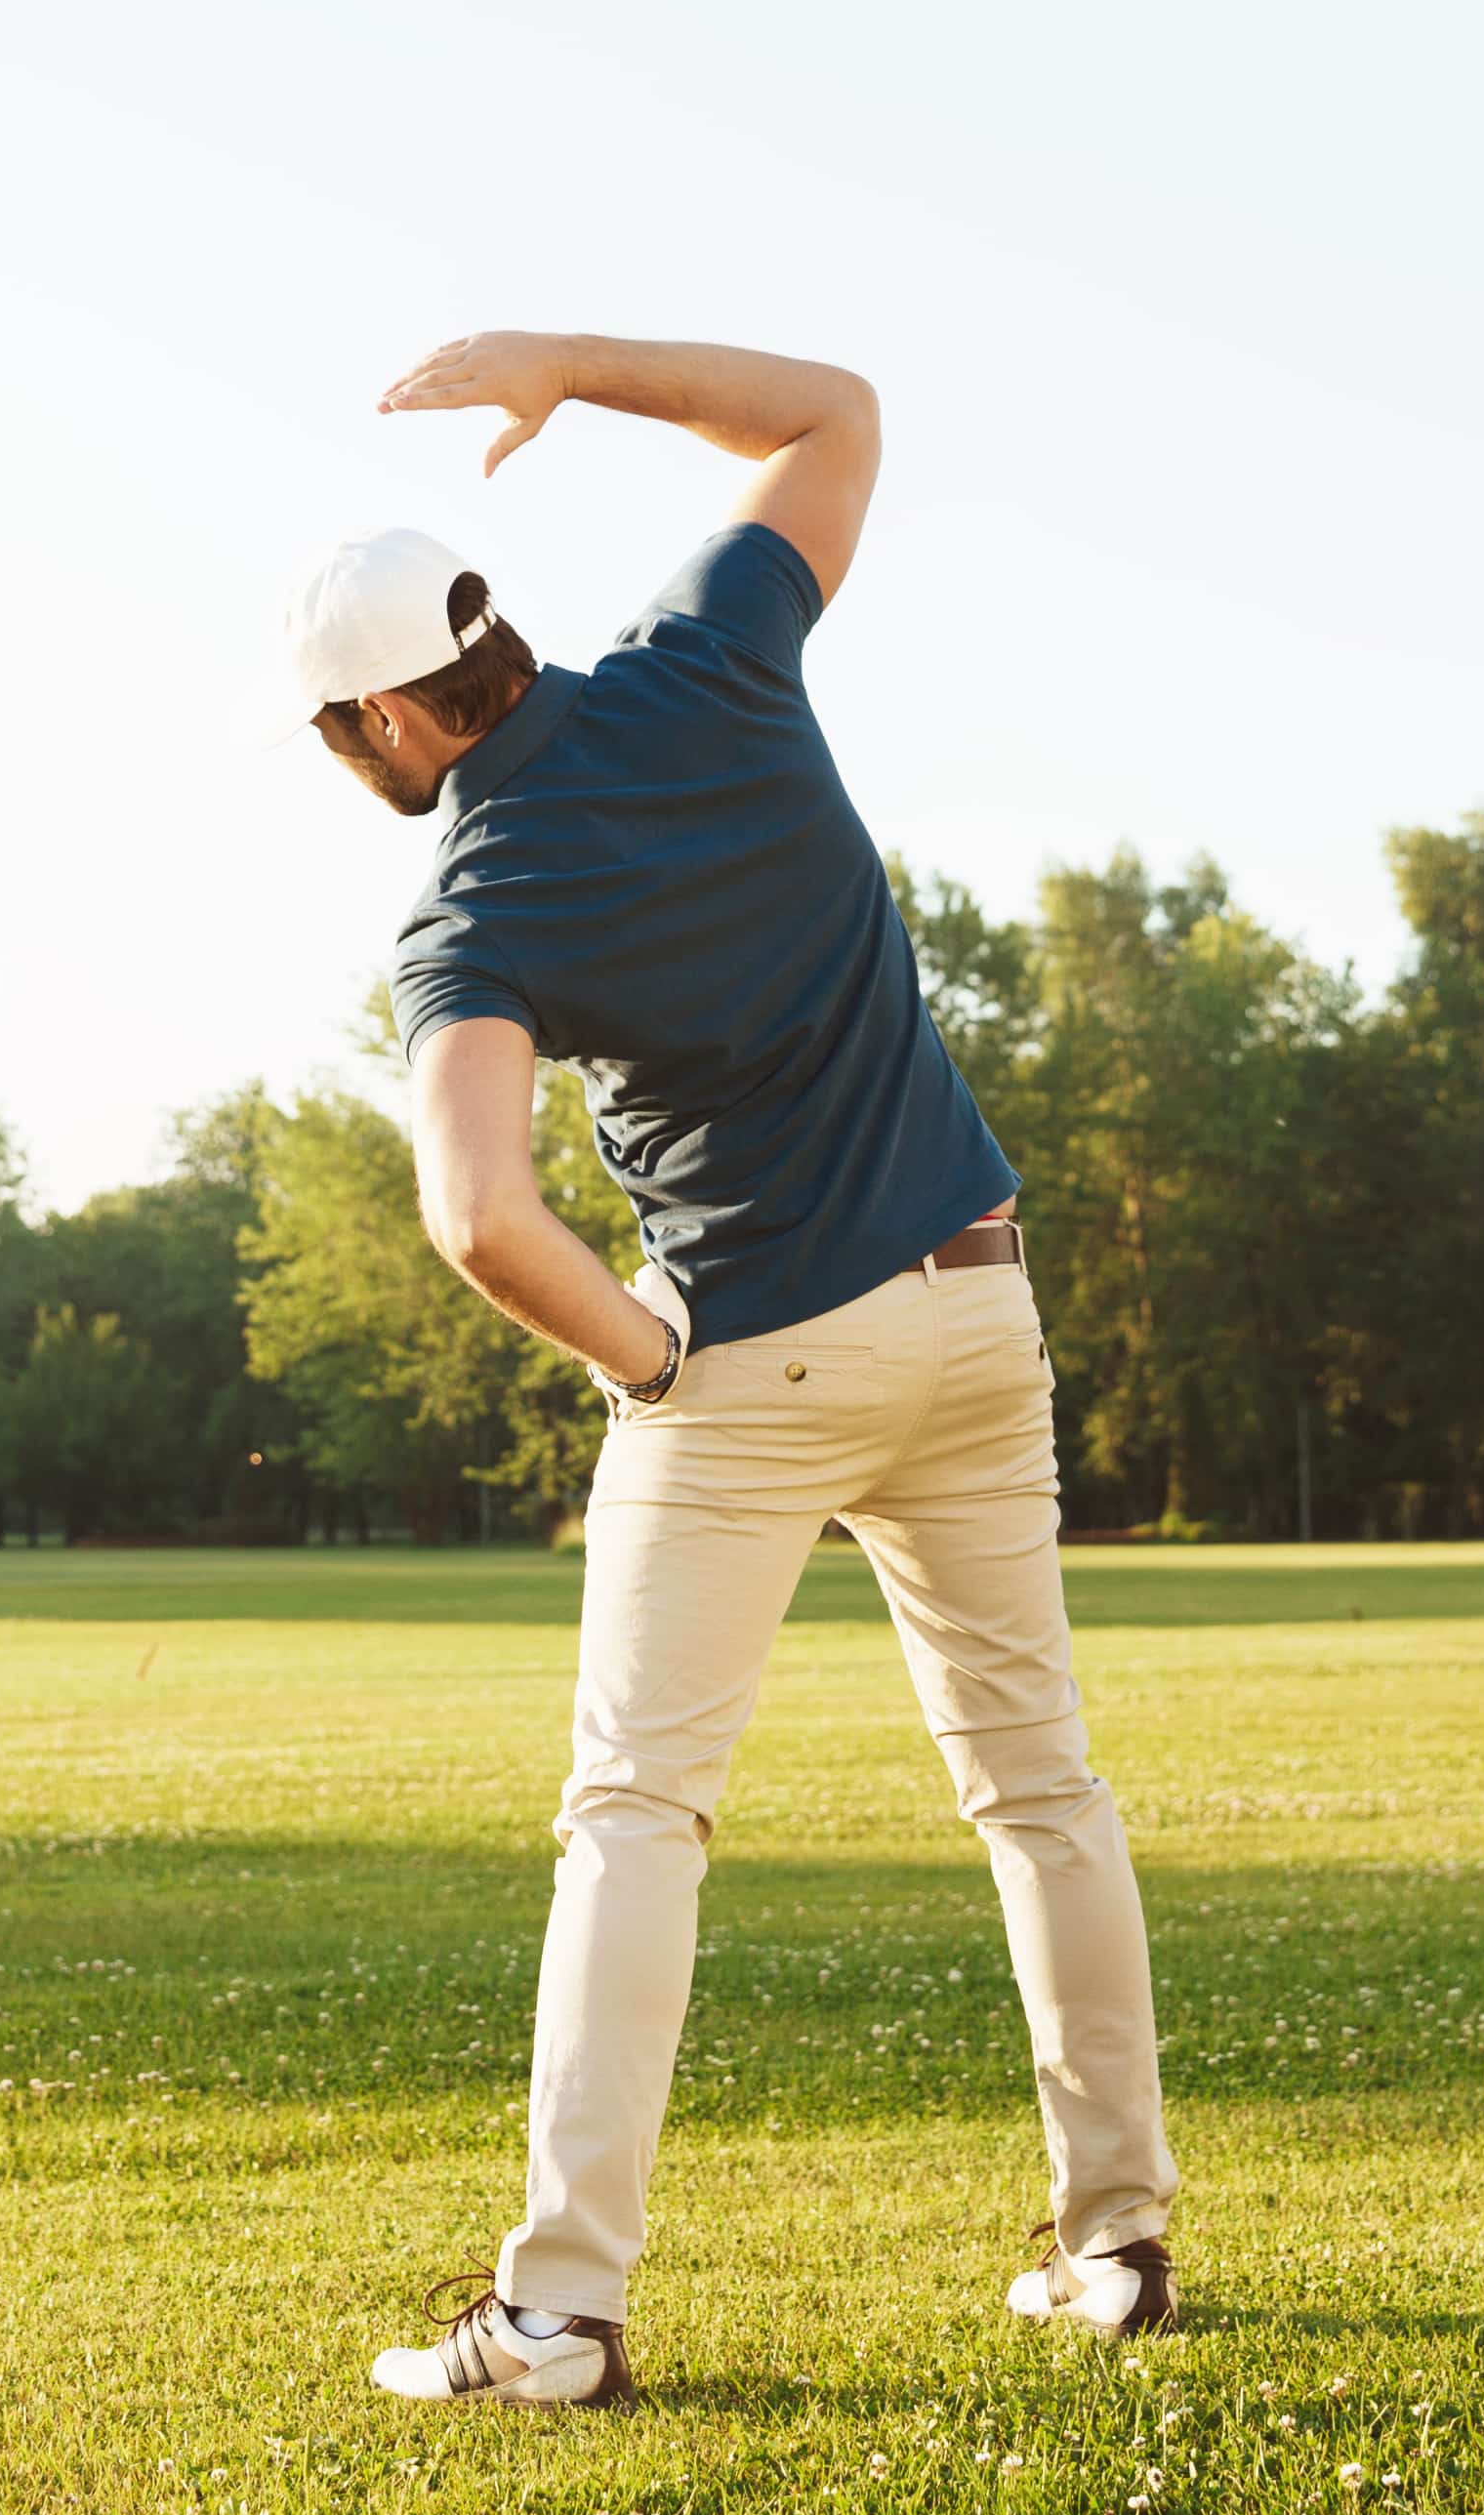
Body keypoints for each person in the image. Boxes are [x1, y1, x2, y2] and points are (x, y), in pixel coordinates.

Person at [281, 329, 1180, 2408]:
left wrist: (643, 1358)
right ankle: (1114, 2242)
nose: (363, 772)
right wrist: (568, 371)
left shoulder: (476, 904)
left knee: (638, 1815)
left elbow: (482, 1218)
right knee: (1038, 1784)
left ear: (401, 708)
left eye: (346, 740)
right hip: (979, 1305)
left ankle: (567, 2312)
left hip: (758, 1357)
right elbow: (837, 412)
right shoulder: (708, 658)